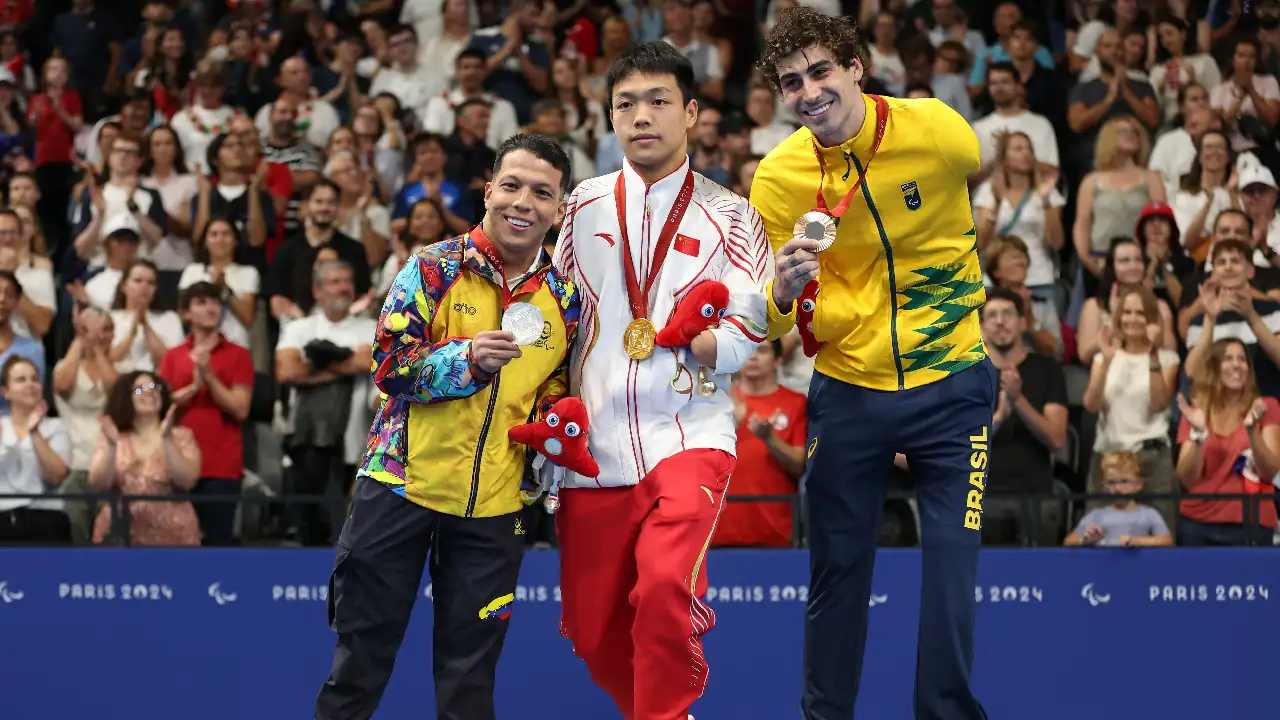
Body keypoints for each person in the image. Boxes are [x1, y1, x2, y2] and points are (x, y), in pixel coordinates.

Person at [752, 9, 992, 719]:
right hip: (849, 392)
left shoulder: (939, 130)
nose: (810, 92)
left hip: (951, 381)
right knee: (837, 573)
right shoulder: (779, 177)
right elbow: (764, 313)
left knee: (952, 568)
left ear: (856, 68)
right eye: (792, 83)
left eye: (821, 71)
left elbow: (973, 181)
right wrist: (784, 290)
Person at [313, 133, 580, 720]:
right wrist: (465, 362)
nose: (523, 202)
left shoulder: (565, 297)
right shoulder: (433, 267)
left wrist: (554, 421)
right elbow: (389, 366)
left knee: (470, 680)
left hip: (496, 508)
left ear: (559, 210)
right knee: (360, 662)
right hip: (399, 488)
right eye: (511, 185)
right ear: (488, 191)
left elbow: (555, 387)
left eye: (542, 192)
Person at [550, 41, 771, 720]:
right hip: (595, 451)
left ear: (692, 112)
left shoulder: (730, 215)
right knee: (590, 635)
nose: (641, 116)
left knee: (667, 590)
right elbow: (552, 318)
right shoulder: (578, 208)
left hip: (689, 434)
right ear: (609, 117)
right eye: (626, 104)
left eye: (658, 101)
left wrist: (709, 343)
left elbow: (752, 322)